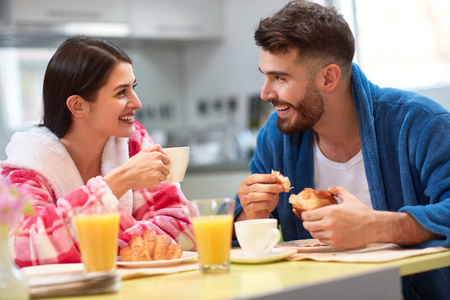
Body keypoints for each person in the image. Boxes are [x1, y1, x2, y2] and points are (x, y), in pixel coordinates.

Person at [234, 1, 450, 299]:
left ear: (328, 78)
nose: (266, 92)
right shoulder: (276, 136)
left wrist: (377, 227)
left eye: (280, 78)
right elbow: (239, 237)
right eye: (266, 75)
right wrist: (249, 214)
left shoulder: (420, 124)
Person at [1, 36, 195, 267]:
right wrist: (116, 183)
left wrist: (90, 246)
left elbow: (182, 225)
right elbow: (24, 247)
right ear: (78, 106)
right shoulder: (26, 167)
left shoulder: (133, 143)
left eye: (133, 88)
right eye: (121, 92)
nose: (137, 102)